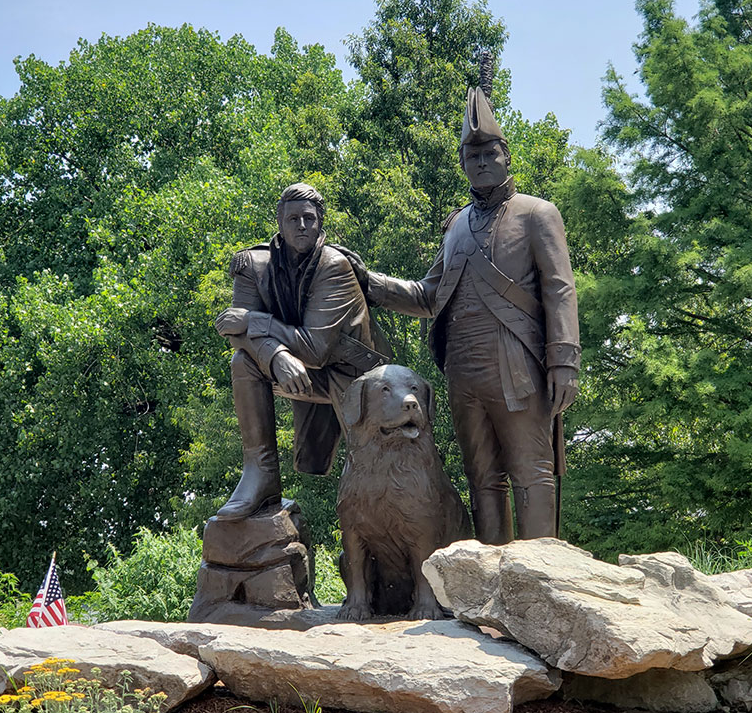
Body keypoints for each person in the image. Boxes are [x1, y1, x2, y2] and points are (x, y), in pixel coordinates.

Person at [365, 87, 580, 544]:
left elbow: (559, 288)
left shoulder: (537, 214)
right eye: (471, 154)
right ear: (463, 163)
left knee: (532, 472)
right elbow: (428, 295)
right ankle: (489, 585)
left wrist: (563, 360)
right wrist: (370, 283)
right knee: (482, 478)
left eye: (489, 152)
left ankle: (544, 581)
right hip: (462, 370)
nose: (480, 161)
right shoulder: (456, 225)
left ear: (506, 156)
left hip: (516, 365)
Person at [214, 183, 389, 521]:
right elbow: (238, 336)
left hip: (356, 377)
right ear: (279, 222)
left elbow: (315, 348)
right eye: (293, 218)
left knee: (376, 482)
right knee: (243, 361)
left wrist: (255, 320)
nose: (302, 226)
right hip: (302, 369)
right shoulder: (253, 264)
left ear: (321, 222)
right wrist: (277, 356)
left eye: (309, 219)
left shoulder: (333, 265)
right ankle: (260, 474)